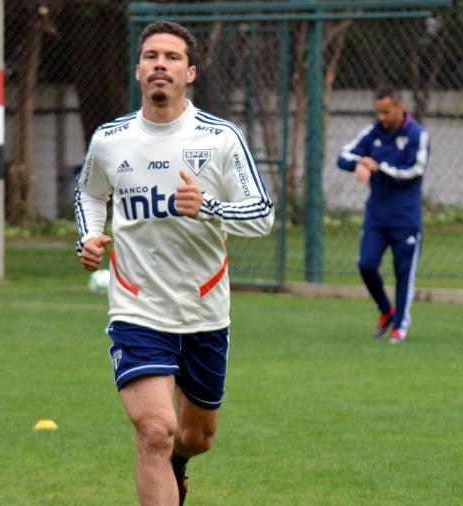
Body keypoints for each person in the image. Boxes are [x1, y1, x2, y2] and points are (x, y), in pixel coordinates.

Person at [74, 20, 273, 505]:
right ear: (139, 70)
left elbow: (262, 215)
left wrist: (208, 206)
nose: (160, 64)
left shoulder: (221, 138)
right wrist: (90, 235)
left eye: (172, 57)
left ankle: (178, 466)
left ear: (191, 73)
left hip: (204, 311)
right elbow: (88, 192)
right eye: (151, 56)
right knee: (156, 431)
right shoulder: (109, 139)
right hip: (137, 308)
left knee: (194, 438)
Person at [337, 88, 431, 344]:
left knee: (403, 274)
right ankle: (386, 310)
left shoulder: (418, 135)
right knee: (366, 264)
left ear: (400, 107)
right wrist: (360, 164)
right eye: (378, 111)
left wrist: (378, 168)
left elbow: (414, 170)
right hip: (376, 217)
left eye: (386, 111)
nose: (382, 116)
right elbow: (343, 156)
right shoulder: (373, 132)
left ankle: (400, 325)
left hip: (406, 219)